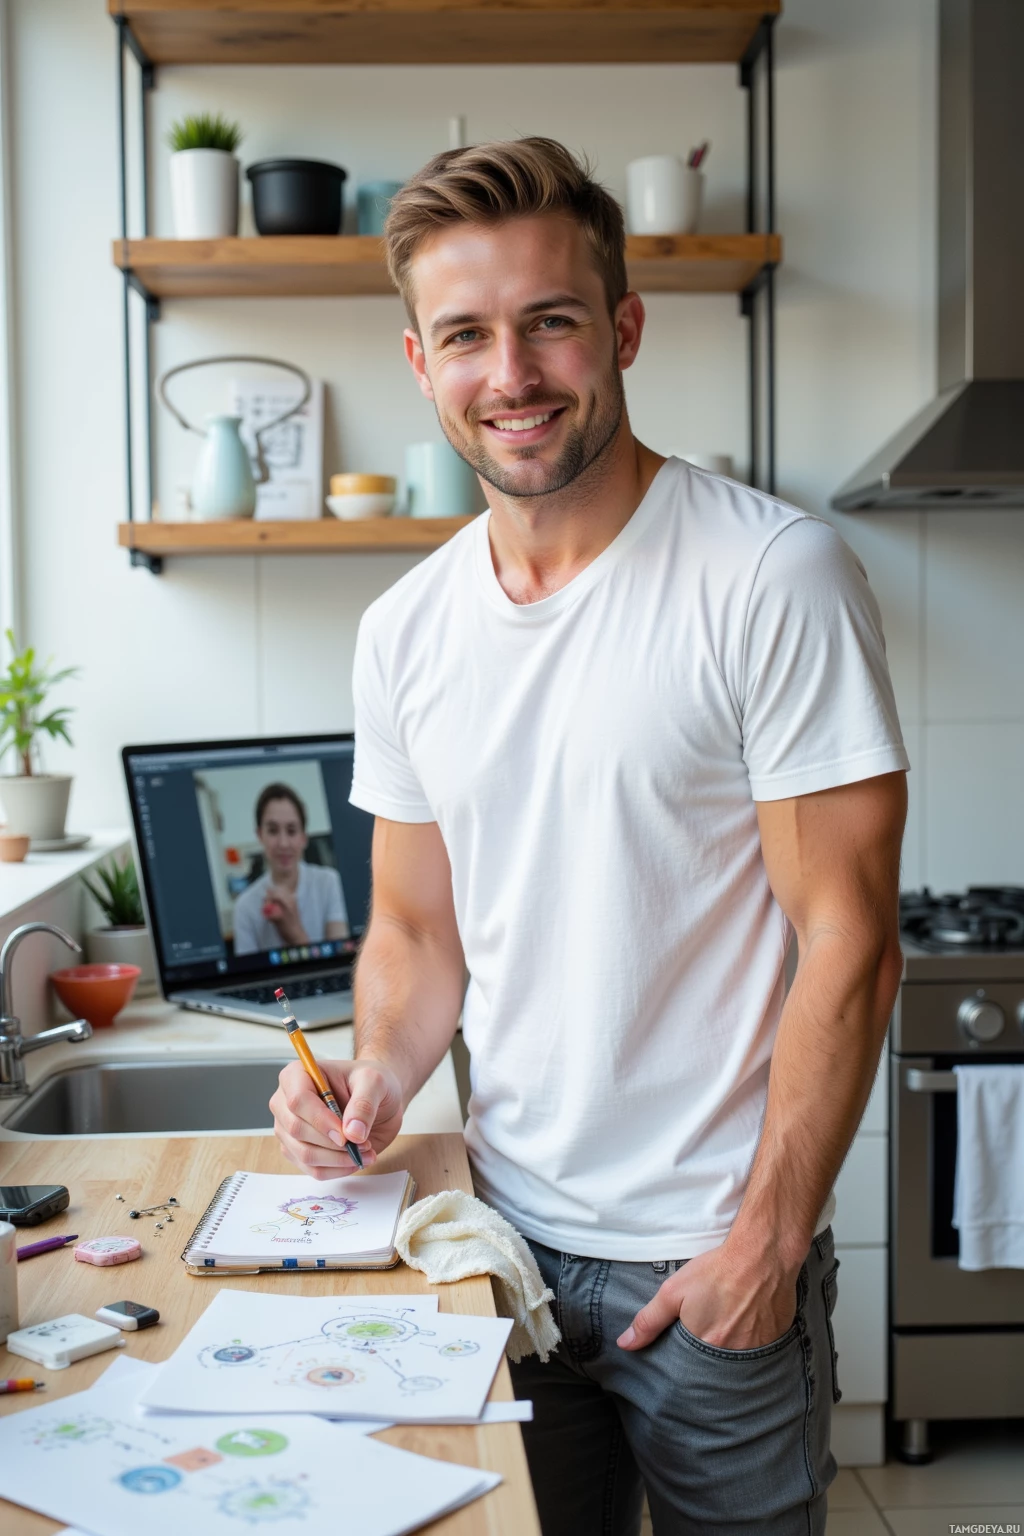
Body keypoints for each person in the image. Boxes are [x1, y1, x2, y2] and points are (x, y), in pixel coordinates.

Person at [269, 138, 908, 1534]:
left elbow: (849, 941)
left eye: (550, 321)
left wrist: (769, 1243)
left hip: (711, 1267)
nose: (514, 374)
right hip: (502, 1251)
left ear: (621, 327)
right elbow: (419, 931)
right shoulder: (406, 632)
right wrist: (371, 1080)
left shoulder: (769, 576)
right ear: (419, 362)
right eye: (468, 335)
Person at [232, 782, 348, 956]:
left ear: (303, 838)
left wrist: (295, 933)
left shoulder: (329, 883)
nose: (283, 843)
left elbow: (340, 960)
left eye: (292, 831)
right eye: (272, 831)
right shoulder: (245, 907)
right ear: (259, 835)